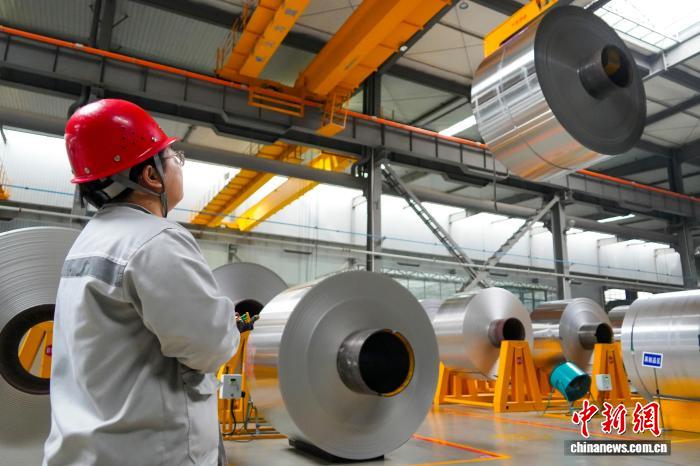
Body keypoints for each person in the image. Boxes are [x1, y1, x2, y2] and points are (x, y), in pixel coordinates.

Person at [43, 99, 241, 466]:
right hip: (153, 452)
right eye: (173, 156)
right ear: (151, 176)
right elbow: (211, 346)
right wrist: (229, 320)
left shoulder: (89, 241)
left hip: (89, 452)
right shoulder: (156, 241)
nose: (179, 163)